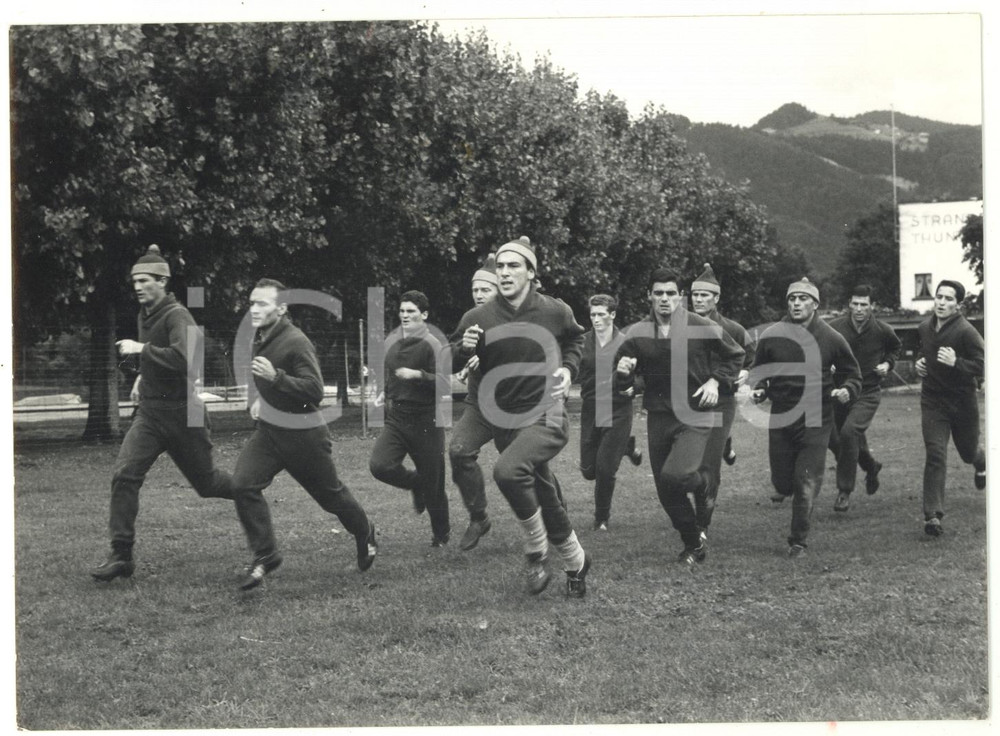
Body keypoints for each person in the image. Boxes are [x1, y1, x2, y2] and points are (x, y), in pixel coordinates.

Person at [451, 236, 591, 597]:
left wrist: (568, 370)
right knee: (544, 494)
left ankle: (535, 549)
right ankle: (576, 562)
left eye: (514, 266)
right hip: (504, 421)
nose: (506, 272)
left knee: (507, 471)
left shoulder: (554, 310)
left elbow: (577, 340)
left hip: (547, 414)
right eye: (501, 266)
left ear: (531, 272)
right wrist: (462, 348)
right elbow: (453, 356)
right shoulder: (477, 317)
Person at [90, 245, 235, 582]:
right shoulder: (146, 315)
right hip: (151, 414)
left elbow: (188, 360)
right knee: (124, 475)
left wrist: (142, 351)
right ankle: (121, 555)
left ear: (163, 281)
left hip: (184, 415)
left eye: (144, 280)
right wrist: (144, 373)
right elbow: (163, 356)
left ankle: (248, 488)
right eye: (134, 281)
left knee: (208, 483)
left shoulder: (177, 315)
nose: (138, 287)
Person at [230, 278, 376, 590]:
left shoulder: (296, 341)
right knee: (242, 484)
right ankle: (266, 555)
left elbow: (315, 390)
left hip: (303, 437)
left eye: (261, 304)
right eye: (251, 303)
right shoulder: (262, 337)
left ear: (281, 308)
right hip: (269, 434)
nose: (253, 309)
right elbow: (260, 377)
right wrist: (256, 399)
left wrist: (277, 376)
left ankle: (365, 532)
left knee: (331, 497)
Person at [615, 268, 745, 565]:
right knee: (665, 489)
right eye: (658, 293)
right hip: (659, 416)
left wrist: (716, 381)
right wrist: (623, 374)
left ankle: (703, 485)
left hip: (696, 413)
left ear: (680, 296)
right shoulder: (636, 334)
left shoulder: (700, 325)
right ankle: (693, 543)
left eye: (671, 293)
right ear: (649, 296)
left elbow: (734, 354)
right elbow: (625, 385)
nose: (665, 299)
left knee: (677, 475)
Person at [750, 277, 861, 557]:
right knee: (783, 482)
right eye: (792, 299)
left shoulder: (831, 337)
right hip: (782, 415)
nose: (796, 304)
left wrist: (847, 389)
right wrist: (761, 389)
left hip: (816, 414)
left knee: (805, 480)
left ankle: (798, 540)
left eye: (803, 299)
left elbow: (853, 373)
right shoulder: (772, 335)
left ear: (815, 304)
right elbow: (758, 371)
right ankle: (785, 488)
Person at [369, 291, 451, 546]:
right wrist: (386, 391)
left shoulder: (433, 344)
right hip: (398, 418)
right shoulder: (393, 343)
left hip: (427, 420)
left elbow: (446, 384)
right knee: (380, 465)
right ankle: (416, 483)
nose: (405, 316)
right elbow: (393, 375)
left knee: (435, 485)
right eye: (402, 311)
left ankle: (441, 535)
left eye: (411, 312)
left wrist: (418, 375)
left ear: (424, 315)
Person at [688, 263, 756, 543]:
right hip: (688, 401)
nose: (699, 299)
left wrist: (743, 373)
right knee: (686, 465)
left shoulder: (733, 329)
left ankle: (702, 524)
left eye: (705, 295)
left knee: (708, 465)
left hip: (721, 402)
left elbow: (749, 357)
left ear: (717, 298)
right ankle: (725, 443)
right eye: (696, 295)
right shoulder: (683, 326)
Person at [915, 279, 986, 537]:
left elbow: (984, 365)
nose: (942, 303)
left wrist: (957, 362)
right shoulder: (924, 327)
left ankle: (982, 463)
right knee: (936, 454)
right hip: (933, 401)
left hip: (962, 403)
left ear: (959, 305)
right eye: (939, 297)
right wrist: (920, 364)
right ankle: (933, 516)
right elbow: (924, 353)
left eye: (948, 299)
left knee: (968, 452)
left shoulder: (967, 332)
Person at [826, 285, 902, 512]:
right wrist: (827, 362)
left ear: (872, 306)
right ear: (849, 304)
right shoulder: (834, 327)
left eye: (864, 305)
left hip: (867, 392)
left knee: (850, 433)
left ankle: (844, 491)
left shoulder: (883, 330)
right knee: (839, 441)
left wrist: (887, 364)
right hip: (841, 393)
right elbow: (822, 349)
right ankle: (871, 466)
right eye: (855, 304)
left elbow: (895, 348)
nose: (859, 309)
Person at [576, 294, 642, 532]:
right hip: (591, 409)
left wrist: (635, 387)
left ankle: (601, 518)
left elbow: (645, 374)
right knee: (588, 471)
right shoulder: (582, 342)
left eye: (601, 314)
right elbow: (569, 367)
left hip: (618, 409)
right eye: (592, 314)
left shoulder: (627, 342)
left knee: (605, 470)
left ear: (613, 315)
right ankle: (626, 447)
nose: (596, 319)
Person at [450, 256, 500, 550]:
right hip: (480, 404)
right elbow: (450, 354)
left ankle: (557, 509)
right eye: (475, 289)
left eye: (486, 289)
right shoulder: (470, 318)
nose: (479, 294)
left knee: (528, 466)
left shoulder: (516, 316)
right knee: (458, 450)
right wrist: (464, 349)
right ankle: (479, 516)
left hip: (515, 406)